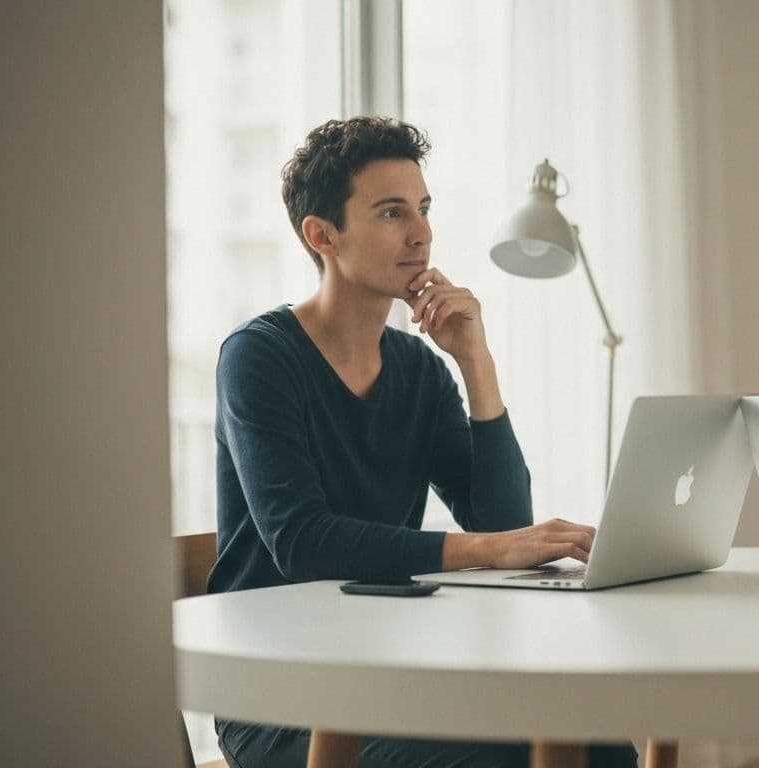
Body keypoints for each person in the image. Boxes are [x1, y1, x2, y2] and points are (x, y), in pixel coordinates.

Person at [208, 116, 637, 768]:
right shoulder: (258, 358)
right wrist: (491, 549)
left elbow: (502, 524)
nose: (422, 234)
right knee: (503, 758)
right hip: (281, 695)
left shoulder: (419, 369)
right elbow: (302, 541)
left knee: (598, 744)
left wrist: (476, 362)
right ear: (322, 235)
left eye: (424, 209)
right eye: (391, 213)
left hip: (388, 672)